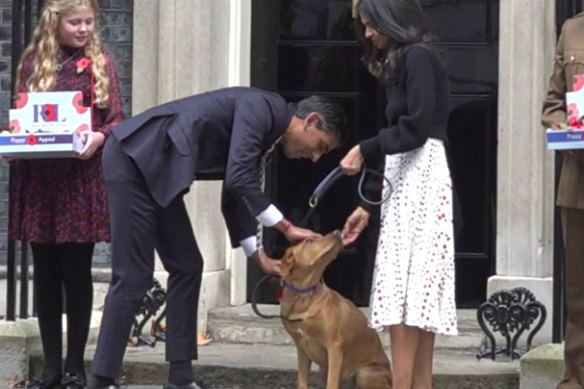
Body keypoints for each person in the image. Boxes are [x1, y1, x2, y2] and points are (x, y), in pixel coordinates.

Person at [87, 87, 346, 389]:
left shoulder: (269, 133)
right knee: (133, 275)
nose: (314, 157)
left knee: (187, 265)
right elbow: (238, 177)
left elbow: (234, 194)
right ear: (310, 120)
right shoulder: (261, 107)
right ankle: (102, 381)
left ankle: (180, 380)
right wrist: (286, 227)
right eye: (320, 146)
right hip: (134, 157)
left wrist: (257, 255)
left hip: (157, 170)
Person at [338, 1, 457, 388]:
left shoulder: (419, 58)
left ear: (392, 20)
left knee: (409, 291)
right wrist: (367, 204)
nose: (369, 35)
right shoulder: (402, 61)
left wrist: (364, 147)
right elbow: (396, 139)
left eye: (372, 26)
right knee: (410, 290)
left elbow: (415, 128)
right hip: (404, 175)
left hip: (421, 174)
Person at [7, 1, 124, 389]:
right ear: (55, 22)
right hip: (41, 179)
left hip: (80, 178)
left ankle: (76, 367)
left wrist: (100, 136)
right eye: (75, 22)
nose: (83, 29)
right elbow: (22, 115)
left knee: (77, 273)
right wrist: (15, 138)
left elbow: (117, 120)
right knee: (44, 274)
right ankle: (51, 368)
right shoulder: (33, 62)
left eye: (89, 22)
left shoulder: (101, 62)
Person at [542, 12, 584, 389]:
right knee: (579, 296)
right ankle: (575, 379)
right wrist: (561, 126)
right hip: (578, 185)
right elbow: (553, 101)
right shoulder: (573, 29)